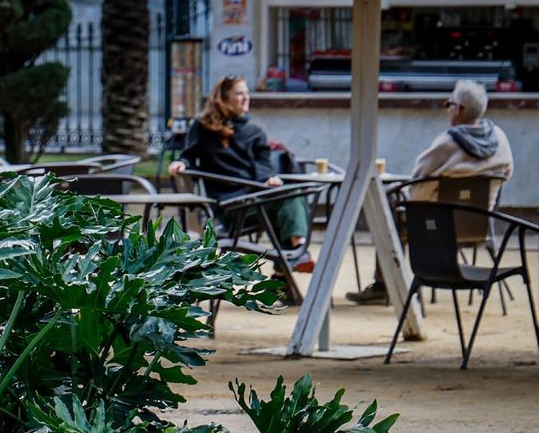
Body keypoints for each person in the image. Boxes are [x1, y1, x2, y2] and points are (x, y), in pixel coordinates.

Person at [347, 79, 514, 305]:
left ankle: (384, 285)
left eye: (449, 104)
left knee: (387, 208)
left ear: (460, 109)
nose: (448, 109)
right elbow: (507, 175)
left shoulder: (446, 143)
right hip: (480, 223)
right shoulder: (501, 139)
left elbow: (417, 188)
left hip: (436, 225)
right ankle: (385, 285)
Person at [168, 75, 314, 273]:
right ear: (224, 98)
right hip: (229, 207)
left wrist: (269, 179)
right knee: (288, 201)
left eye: (247, 93)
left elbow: (264, 168)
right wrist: (181, 163)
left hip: (254, 200)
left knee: (290, 196)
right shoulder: (203, 127)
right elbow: (189, 156)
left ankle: (291, 260)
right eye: (239, 93)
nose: (246, 97)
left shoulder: (255, 132)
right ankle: (296, 254)